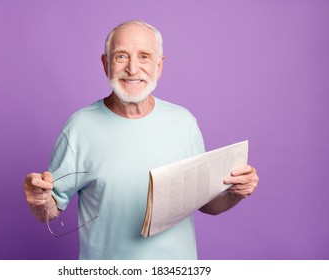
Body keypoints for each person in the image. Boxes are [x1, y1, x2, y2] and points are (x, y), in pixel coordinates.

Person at [23, 20, 259, 260]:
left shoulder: (184, 122)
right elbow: (50, 210)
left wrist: (234, 193)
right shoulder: (79, 127)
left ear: (159, 66)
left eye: (144, 57)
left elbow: (205, 203)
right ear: (106, 64)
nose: (133, 69)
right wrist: (39, 201)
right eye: (121, 57)